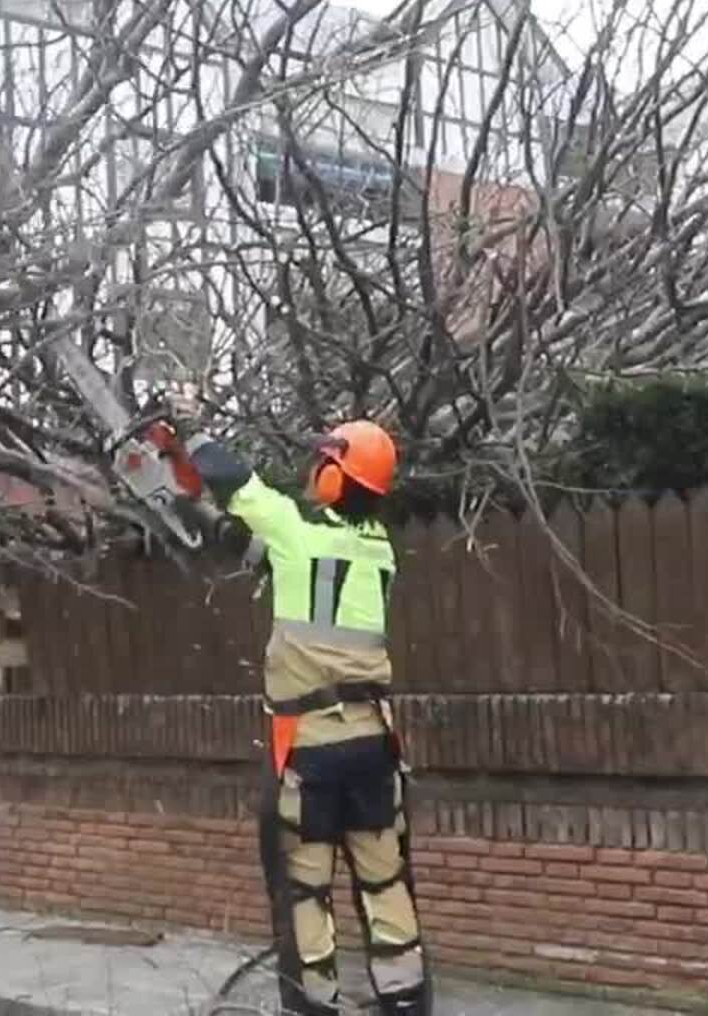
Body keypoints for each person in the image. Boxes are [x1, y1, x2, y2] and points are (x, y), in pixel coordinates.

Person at [176, 407, 431, 1016]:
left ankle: (315, 1006)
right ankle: (405, 1003)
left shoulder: (297, 534)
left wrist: (192, 429)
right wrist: (235, 533)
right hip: (374, 748)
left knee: (306, 889)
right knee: (384, 883)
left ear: (336, 479)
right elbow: (306, 567)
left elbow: (239, 483)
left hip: (313, 750)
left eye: (325, 463)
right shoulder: (381, 553)